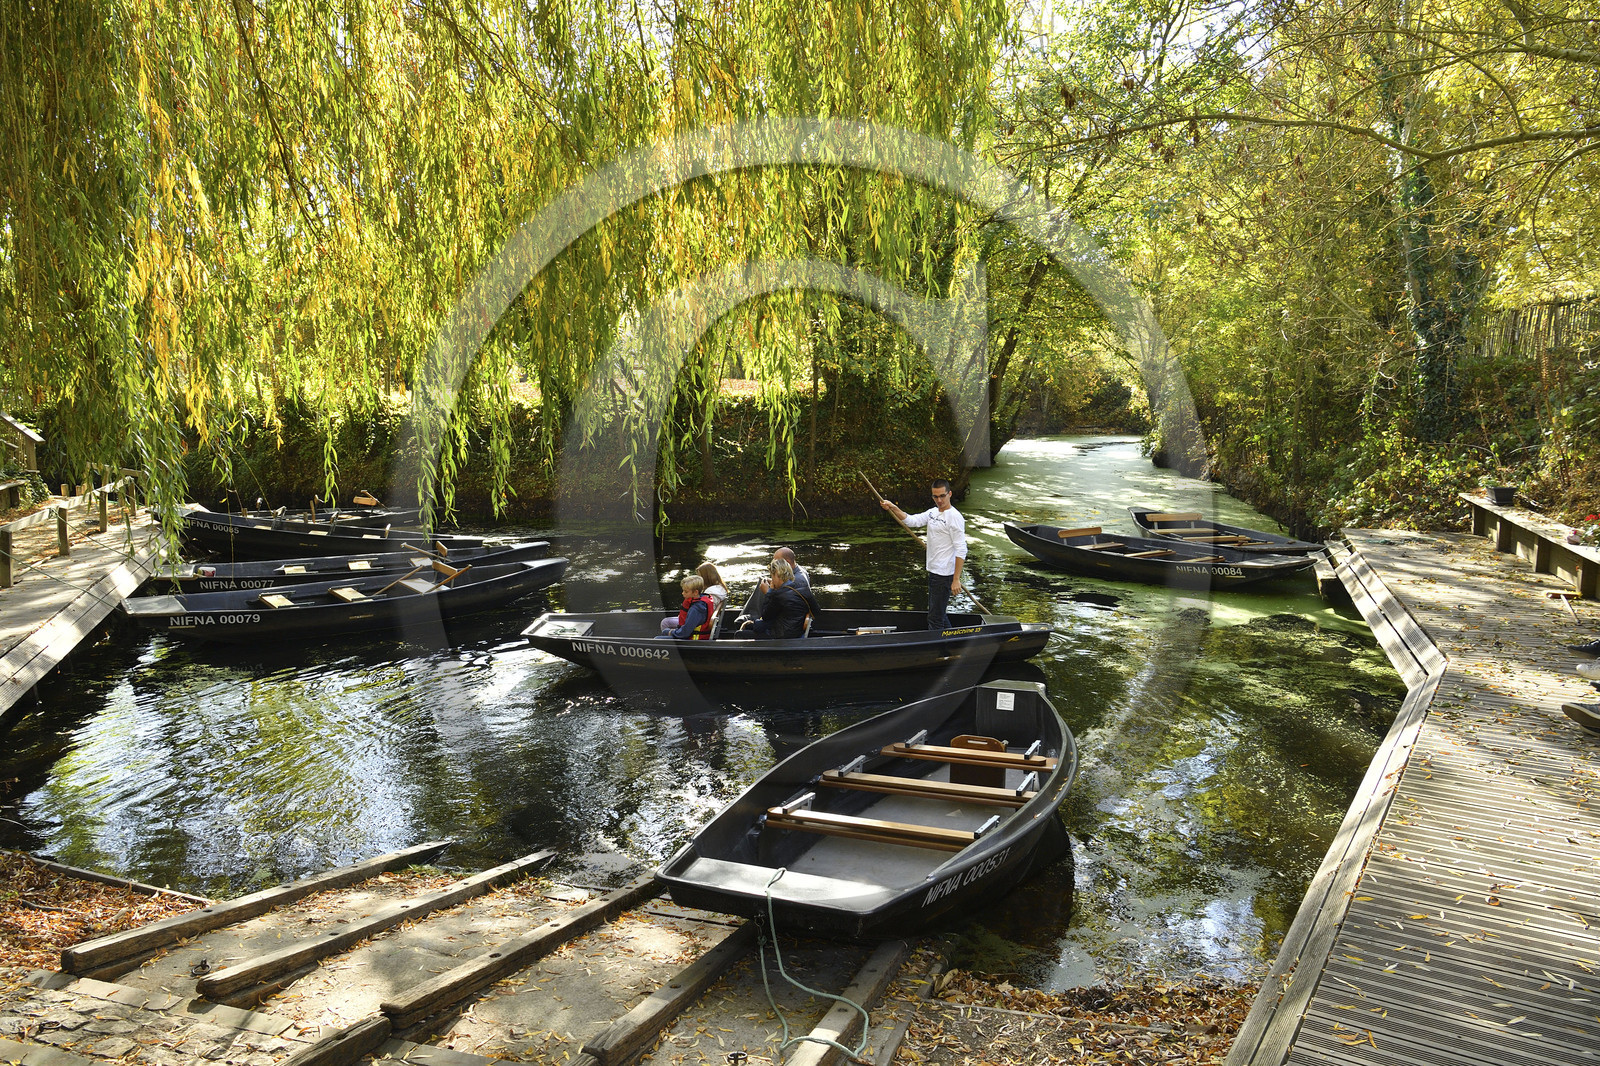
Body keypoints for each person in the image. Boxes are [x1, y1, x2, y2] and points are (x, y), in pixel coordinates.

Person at [880, 478, 967, 631]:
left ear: (950, 494)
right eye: (935, 496)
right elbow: (912, 521)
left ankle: (938, 645)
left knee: (934, 618)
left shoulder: (954, 517)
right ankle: (954, 641)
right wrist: (893, 507)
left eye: (942, 496)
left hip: (944, 574)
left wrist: (956, 579)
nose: (939, 500)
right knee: (939, 614)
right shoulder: (932, 513)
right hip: (934, 571)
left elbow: (961, 549)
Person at [738, 558, 819, 639]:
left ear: (777, 575)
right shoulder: (804, 589)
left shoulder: (778, 595)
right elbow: (817, 611)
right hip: (797, 632)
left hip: (781, 636)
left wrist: (768, 593)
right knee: (752, 625)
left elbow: (765, 616)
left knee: (739, 634)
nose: (772, 580)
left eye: (772, 576)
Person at [736, 546, 810, 622]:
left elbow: (784, 601)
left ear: (787, 562)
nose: (773, 563)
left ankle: (752, 618)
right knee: (763, 581)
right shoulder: (797, 570)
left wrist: (768, 592)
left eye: (776, 561)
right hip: (787, 613)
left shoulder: (799, 580)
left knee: (763, 588)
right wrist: (772, 582)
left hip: (787, 618)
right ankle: (750, 616)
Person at [662, 562, 730, 631]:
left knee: (665, 622)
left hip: (698, 622)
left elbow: (699, 613)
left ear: (705, 577)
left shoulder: (709, 594)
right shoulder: (720, 589)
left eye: (699, 576)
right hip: (702, 619)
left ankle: (670, 637)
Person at [660, 575, 718, 640]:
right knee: (664, 633)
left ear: (695, 592)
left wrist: (670, 632)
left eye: (686, 591)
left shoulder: (696, 609)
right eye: (683, 591)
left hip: (693, 640)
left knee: (658, 638)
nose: (682, 593)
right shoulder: (701, 601)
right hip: (690, 635)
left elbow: (685, 633)